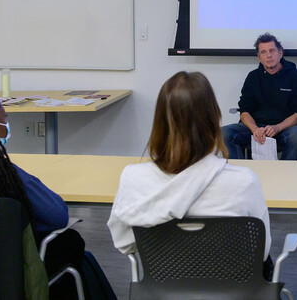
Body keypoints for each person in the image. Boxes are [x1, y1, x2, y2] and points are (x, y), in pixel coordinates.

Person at [108, 71, 272, 265]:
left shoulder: (133, 178)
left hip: (165, 282)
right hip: (231, 283)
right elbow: (261, 250)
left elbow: (124, 243)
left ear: (159, 122)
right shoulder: (244, 181)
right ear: (214, 119)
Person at [0, 87, 106, 300]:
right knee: (70, 241)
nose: (7, 126)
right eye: (5, 120)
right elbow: (57, 216)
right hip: (9, 271)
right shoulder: (7, 175)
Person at [222, 33, 297, 160]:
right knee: (224, 133)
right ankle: (241, 170)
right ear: (259, 57)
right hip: (256, 128)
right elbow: (244, 111)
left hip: (284, 128)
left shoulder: (294, 76)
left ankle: (284, 171)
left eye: (272, 51)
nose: (268, 55)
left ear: (280, 53)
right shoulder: (253, 77)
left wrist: (277, 127)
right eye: (263, 52)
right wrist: (255, 129)